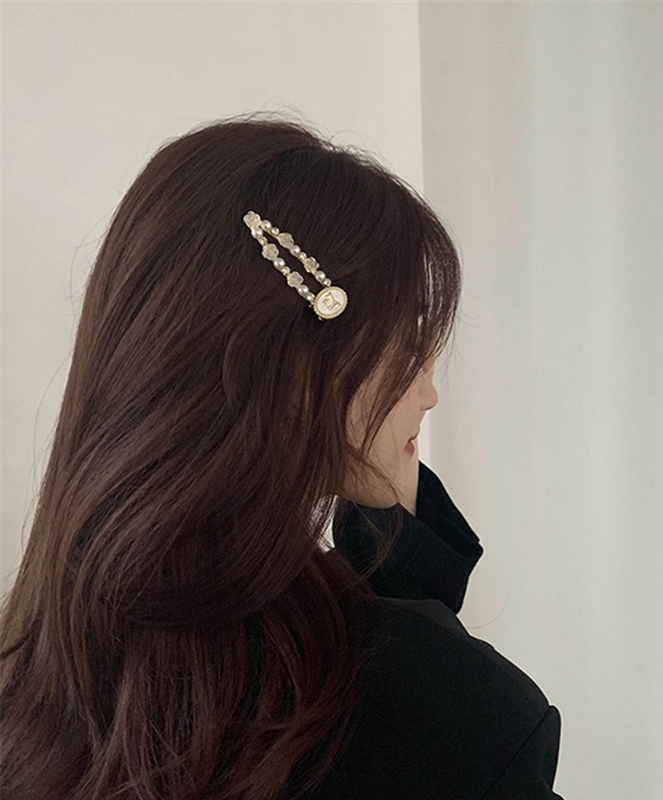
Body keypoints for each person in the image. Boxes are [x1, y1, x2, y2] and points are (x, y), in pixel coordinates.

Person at [0, 111, 563, 799]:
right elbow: (407, 712)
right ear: (297, 367)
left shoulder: (40, 668)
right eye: (409, 345)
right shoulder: (460, 721)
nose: (429, 392)